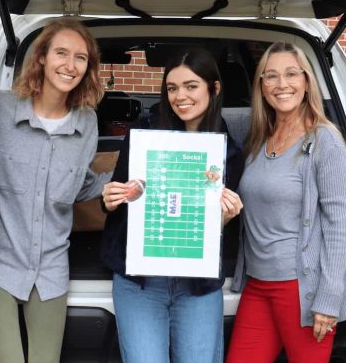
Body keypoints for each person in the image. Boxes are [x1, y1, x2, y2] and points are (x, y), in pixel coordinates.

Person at [100, 47, 245, 363]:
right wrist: (110, 199)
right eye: (172, 88)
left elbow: (213, 232)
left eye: (191, 86)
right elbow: (120, 202)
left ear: (214, 88)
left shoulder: (229, 153)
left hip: (197, 285)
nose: (181, 96)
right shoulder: (144, 139)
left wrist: (225, 217)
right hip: (140, 281)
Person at [0, 17, 106, 363]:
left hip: (51, 269)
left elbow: (80, 186)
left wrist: (128, 184)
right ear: (42, 58)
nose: (70, 64)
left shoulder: (87, 122)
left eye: (81, 57)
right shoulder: (0, 109)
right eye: (61, 53)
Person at [226, 42, 346, 363]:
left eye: (291, 74)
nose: (281, 84)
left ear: (307, 81)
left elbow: (339, 227)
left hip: (301, 289)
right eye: (271, 76)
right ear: (261, 86)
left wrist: (328, 299)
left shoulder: (325, 141)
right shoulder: (258, 137)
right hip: (258, 284)